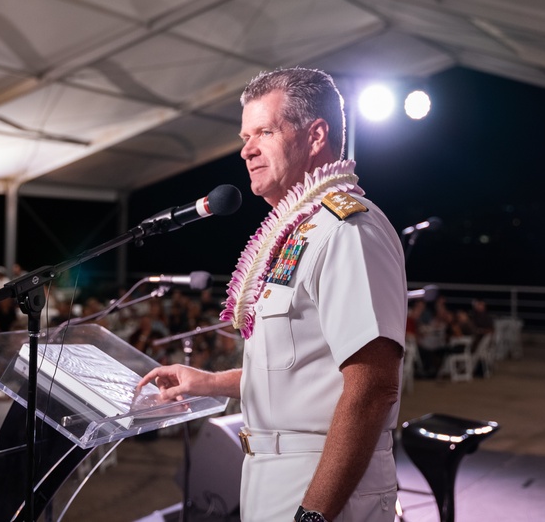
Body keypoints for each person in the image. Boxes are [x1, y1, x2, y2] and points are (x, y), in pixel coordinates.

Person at [139, 68, 407, 522]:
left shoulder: (347, 230)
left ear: (316, 135)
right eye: (245, 136)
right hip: (270, 473)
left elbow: (373, 386)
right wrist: (205, 381)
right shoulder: (298, 232)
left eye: (264, 131)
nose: (246, 149)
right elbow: (298, 373)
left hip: (324, 483)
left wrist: (315, 513)